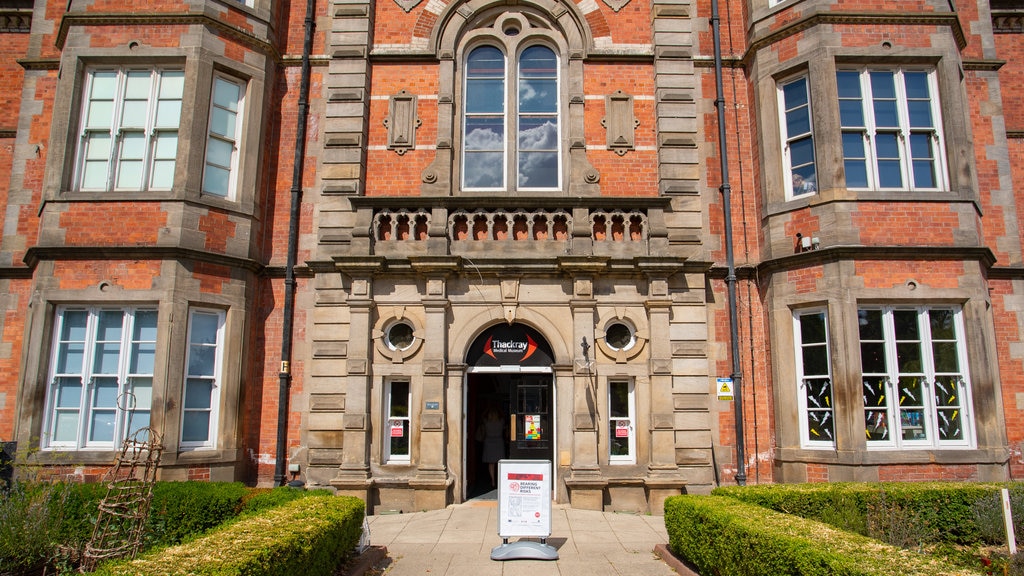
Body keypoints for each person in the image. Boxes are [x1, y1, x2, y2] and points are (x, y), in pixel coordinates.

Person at [479, 408, 505, 487]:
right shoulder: (501, 421)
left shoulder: (486, 422)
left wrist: (487, 410)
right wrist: (499, 410)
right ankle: (500, 480)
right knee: (500, 462)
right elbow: (505, 415)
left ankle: (493, 481)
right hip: (499, 441)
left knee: (491, 463)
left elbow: (482, 416)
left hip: (489, 441)